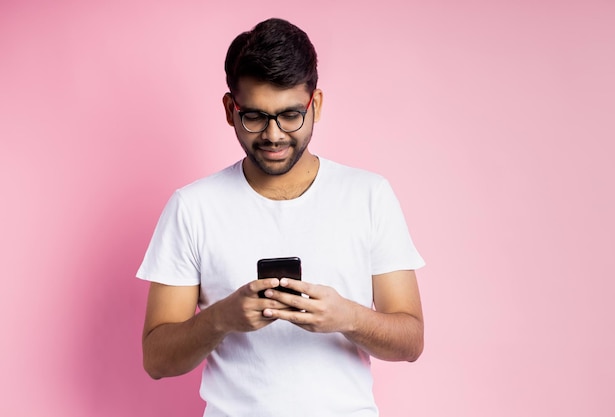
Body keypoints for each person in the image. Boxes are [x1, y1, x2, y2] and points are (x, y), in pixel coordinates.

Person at [137, 17, 425, 417]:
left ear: (316, 105)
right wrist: (220, 319)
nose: (273, 135)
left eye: (291, 115)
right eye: (254, 116)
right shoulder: (193, 207)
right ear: (229, 109)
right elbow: (157, 359)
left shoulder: (368, 196)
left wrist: (348, 317)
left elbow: (411, 340)